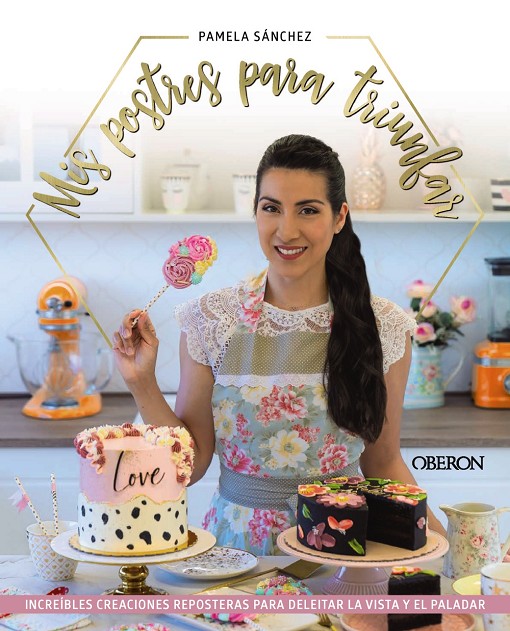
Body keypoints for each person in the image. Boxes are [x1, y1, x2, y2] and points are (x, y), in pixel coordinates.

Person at [113, 133, 445, 555]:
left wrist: (451, 548)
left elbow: (383, 463)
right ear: (255, 211)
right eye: (271, 208)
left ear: (339, 217)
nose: (287, 230)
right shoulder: (211, 320)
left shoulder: (384, 326)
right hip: (236, 554)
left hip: (342, 549)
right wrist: (141, 381)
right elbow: (190, 465)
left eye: (308, 210)